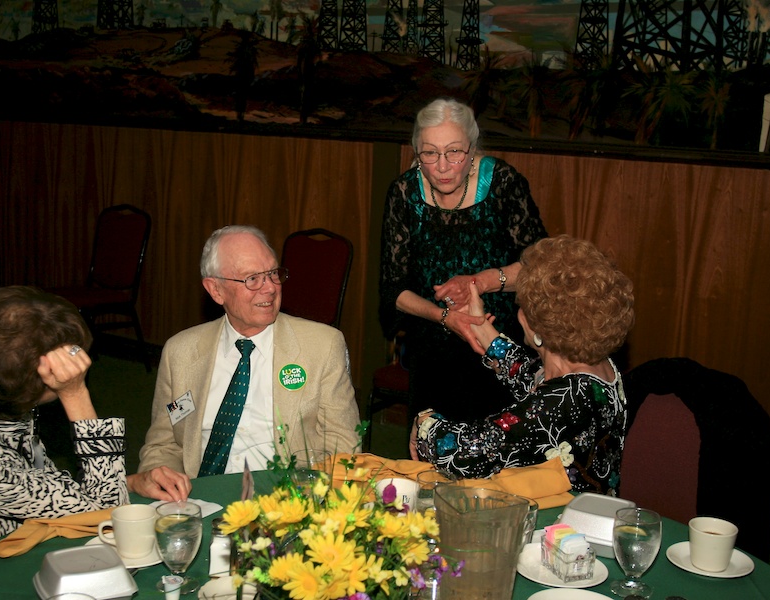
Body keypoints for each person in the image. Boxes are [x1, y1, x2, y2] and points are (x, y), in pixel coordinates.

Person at [0, 286, 189, 598]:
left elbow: (43, 482)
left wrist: (130, 480)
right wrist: (75, 394)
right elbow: (108, 510)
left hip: (9, 542)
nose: (78, 362)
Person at [130, 225, 360, 494]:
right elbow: (163, 444)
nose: (270, 288)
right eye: (252, 278)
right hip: (198, 496)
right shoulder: (180, 353)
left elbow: (345, 447)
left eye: (273, 273)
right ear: (216, 290)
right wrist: (163, 482)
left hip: (284, 499)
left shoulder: (322, 346)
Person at [412, 236, 634, 495]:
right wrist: (482, 328)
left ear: (537, 328)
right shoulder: (599, 371)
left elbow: (468, 451)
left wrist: (425, 422)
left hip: (561, 530)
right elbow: (532, 377)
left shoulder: (562, 401)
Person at [379, 97, 547, 424]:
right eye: (429, 153)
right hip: (432, 351)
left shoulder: (502, 183)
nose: (442, 166)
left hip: (499, 346)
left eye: (454, 152)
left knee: (497, 458)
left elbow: (538, 266)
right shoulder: (403, 193)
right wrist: (444, 317)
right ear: (416, 152)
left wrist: (477, 283)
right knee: (432, 457)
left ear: (471, 149)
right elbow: (393, 289)